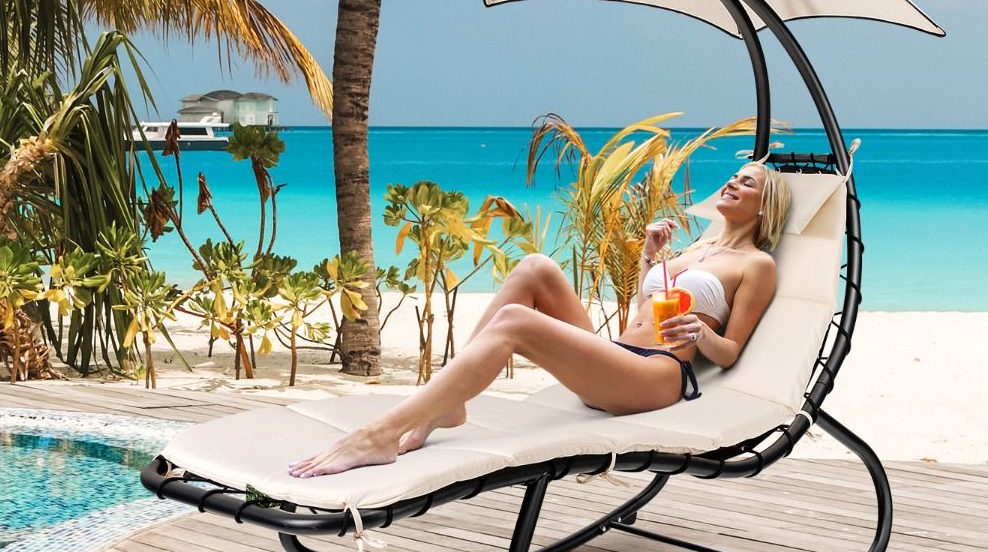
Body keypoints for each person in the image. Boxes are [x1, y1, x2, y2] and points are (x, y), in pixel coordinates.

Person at [288, 161, 792, 478]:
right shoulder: (699, 247)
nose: (732, 182)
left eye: (746, 182)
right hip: (617, 356)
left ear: (764, 205)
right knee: (535, 268)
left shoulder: (757, 265)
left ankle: (381, 434)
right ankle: (449, 404)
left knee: (514, 320)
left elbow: (730, 352)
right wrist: (649, 258)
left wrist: (702, 332)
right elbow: (648, 306)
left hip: (656, 376)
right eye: (733, 175)